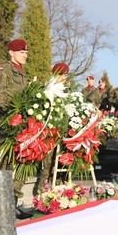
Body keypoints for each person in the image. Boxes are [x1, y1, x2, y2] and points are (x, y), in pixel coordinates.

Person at [0, 39, 33, 219]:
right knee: (6, 164)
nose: (25, 54)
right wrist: (15, 111)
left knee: (23, 163)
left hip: (22, 125)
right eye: (21, 52)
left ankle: (12, 203)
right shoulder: (3, 70)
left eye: (25, 52)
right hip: (7, 124)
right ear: (11, 53)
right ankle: (1, 206)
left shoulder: (24, 74)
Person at [34, 62, 70, 194]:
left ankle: (57, 190)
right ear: (57, 74)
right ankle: (41, 192)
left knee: (59, 162)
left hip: (61, 130)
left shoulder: (63, 89)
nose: (65, 77)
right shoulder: (49, 88)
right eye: (63, 74)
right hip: (49, 132)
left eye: (66, 74)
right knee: (47, 164)